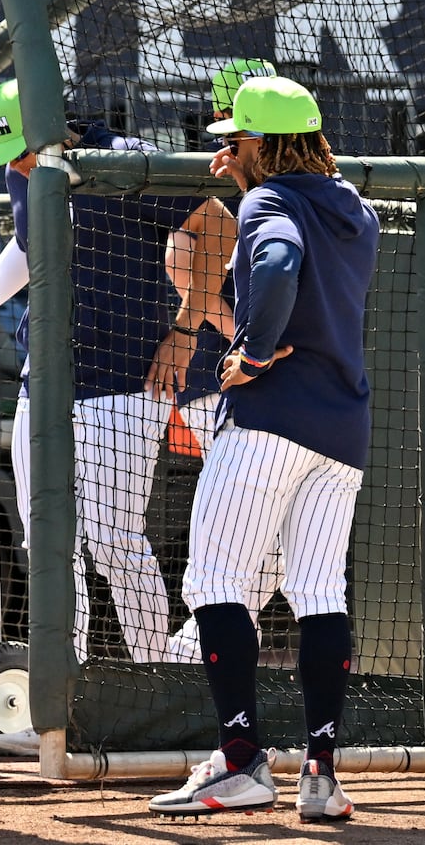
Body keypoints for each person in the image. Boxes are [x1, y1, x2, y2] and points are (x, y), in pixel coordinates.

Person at [0, 78, 235, 757]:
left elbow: (217, 226)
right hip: (44, 385)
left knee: (115, 542)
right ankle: (58, 711)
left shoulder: (123, 159)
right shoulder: (23, 174)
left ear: (51, 125)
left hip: (125, 383)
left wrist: (185, 331)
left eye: (18, 148)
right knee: (47, 550)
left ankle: (163, 694)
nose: (14, 165)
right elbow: (27, 251)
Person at [149, 77, 379, 821]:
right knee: (318, 592)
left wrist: (249, 352)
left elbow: (277, 263)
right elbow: (297, 225)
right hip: (340, 431)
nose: (223, 151)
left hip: (269, 421)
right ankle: (319, 771)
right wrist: (247, 169)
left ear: (260, 143)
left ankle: (242, 760)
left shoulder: (268, 201)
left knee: (213, 581)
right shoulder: (354, 206)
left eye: (232, 140)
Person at [163, 57, 283, 664]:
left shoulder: (275, 184)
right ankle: (187, 658)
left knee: (271, 543)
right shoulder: (210, 180)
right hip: (222, 382)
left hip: (260, 383)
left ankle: (190, 656)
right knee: (248, 538)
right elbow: (184, 269)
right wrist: (248, 341)